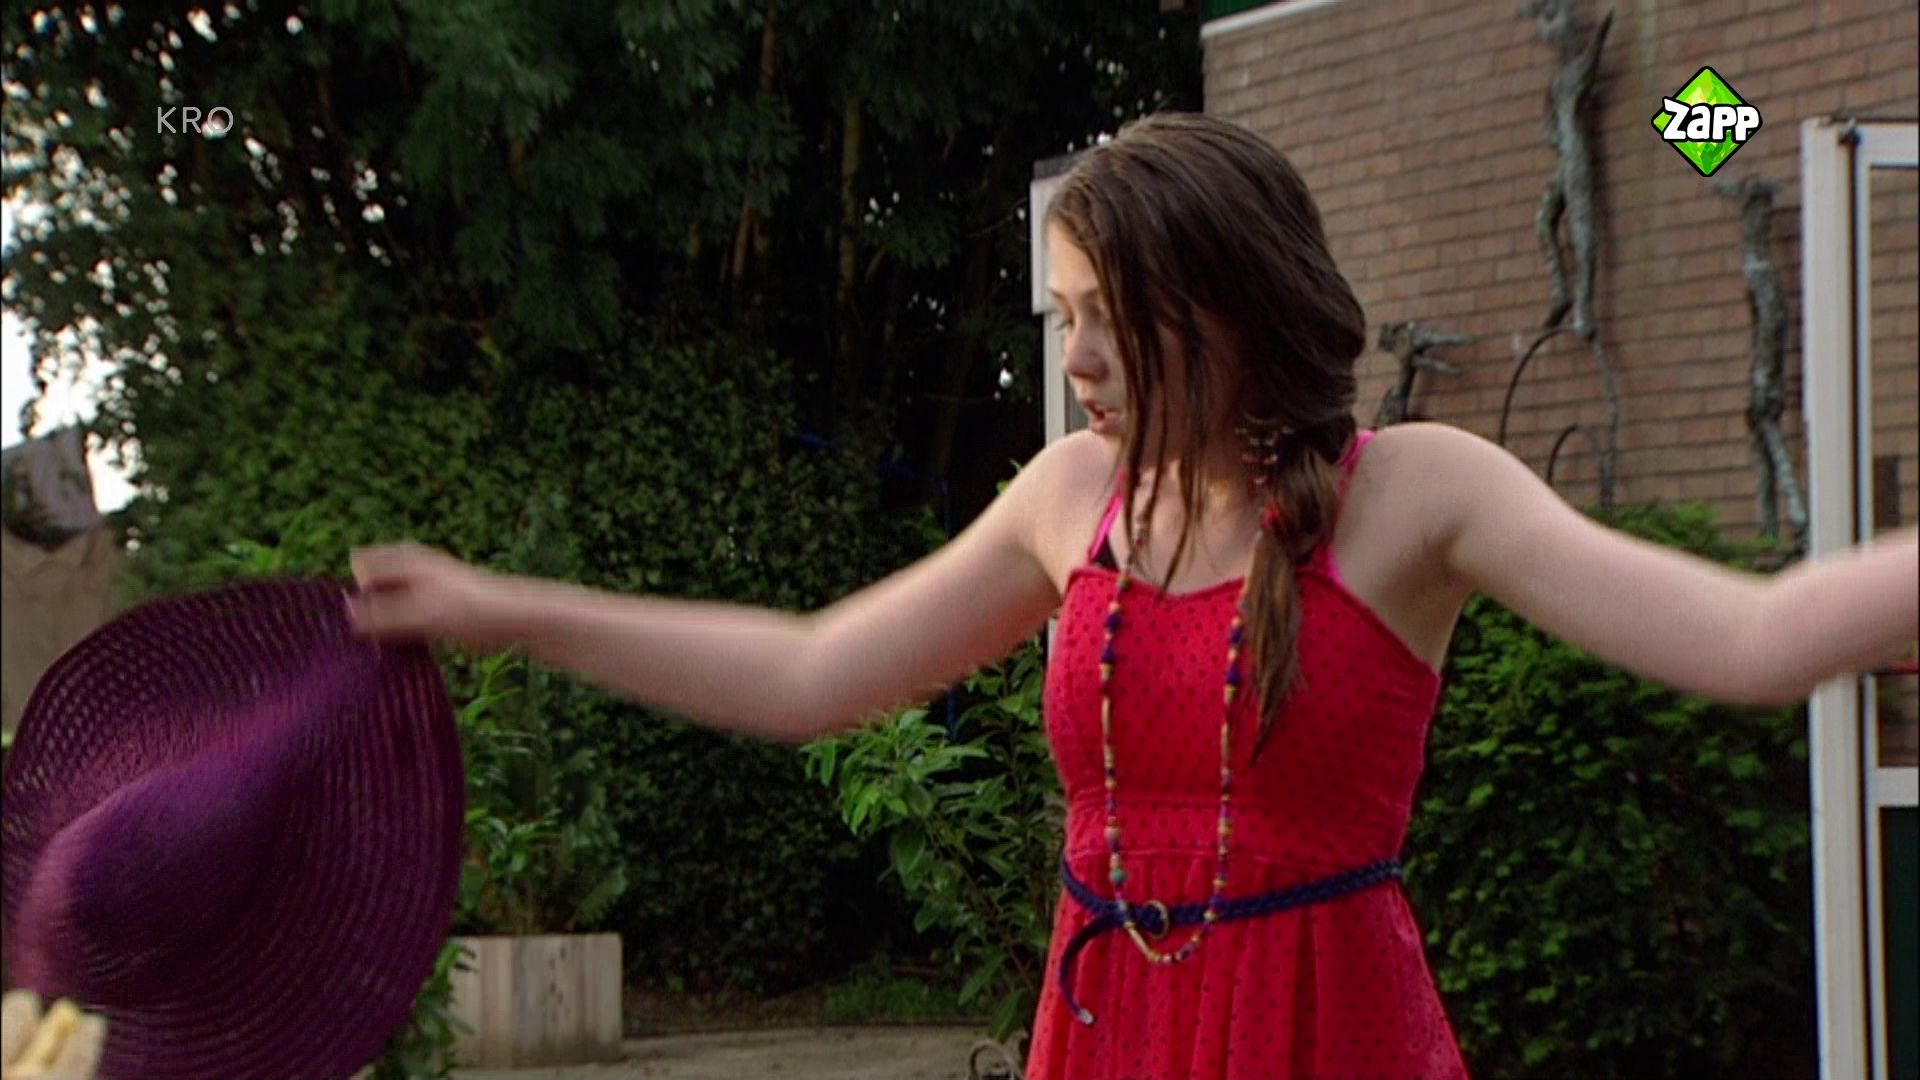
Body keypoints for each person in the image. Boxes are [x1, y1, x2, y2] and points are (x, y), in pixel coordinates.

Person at [348, 112, 1919, 1079]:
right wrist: (504, 607)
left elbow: (1752, 637)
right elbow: (812, 672)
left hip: (1330, 1043)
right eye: (1064, 318)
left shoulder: (1418, 494)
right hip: (1108, 1035)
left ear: (1230, 306)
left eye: (1110, 317)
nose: (1079, 360)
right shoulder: (1068, 501)